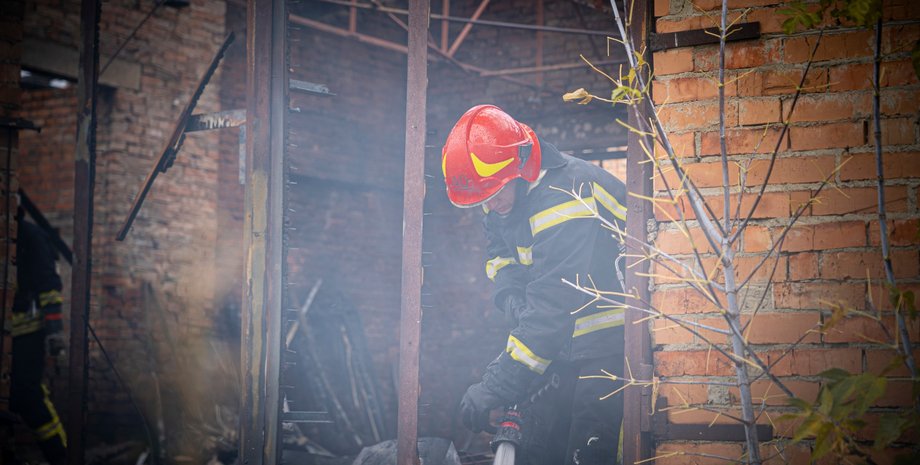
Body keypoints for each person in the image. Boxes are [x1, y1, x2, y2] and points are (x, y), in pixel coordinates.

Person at [443, 105, 627, 465]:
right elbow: (501, 258)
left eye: (495, 193)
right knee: (541, 447)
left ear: (522, 171)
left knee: (587, 451)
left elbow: (553, 304)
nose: (491, 204)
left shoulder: (565, 196)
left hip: (609, 340)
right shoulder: (500, 193)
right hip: (562, 342)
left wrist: (496, 384)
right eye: (482, 198)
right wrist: (510, 296)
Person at [10, 216, 67, 465]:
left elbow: (49, 285)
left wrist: (54, 329)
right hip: (9, 335)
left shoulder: (32, 237)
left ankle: (61, 456)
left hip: (28, 332)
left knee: (29, 397)